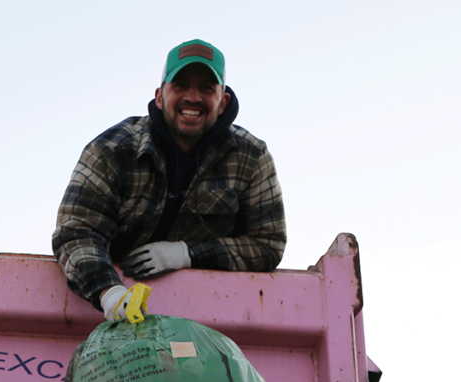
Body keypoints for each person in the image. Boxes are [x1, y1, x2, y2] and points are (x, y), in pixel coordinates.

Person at [52, 38, 286, 321]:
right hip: (111, 316)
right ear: (160, 96)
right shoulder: (111, 149)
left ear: (222, 101)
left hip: (207, 323)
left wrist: (188, 254)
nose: (193, 97)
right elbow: (77, 231)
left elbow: (267, 244)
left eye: (206, 88)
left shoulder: (252, 157)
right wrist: (109, 294)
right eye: (180, 85)